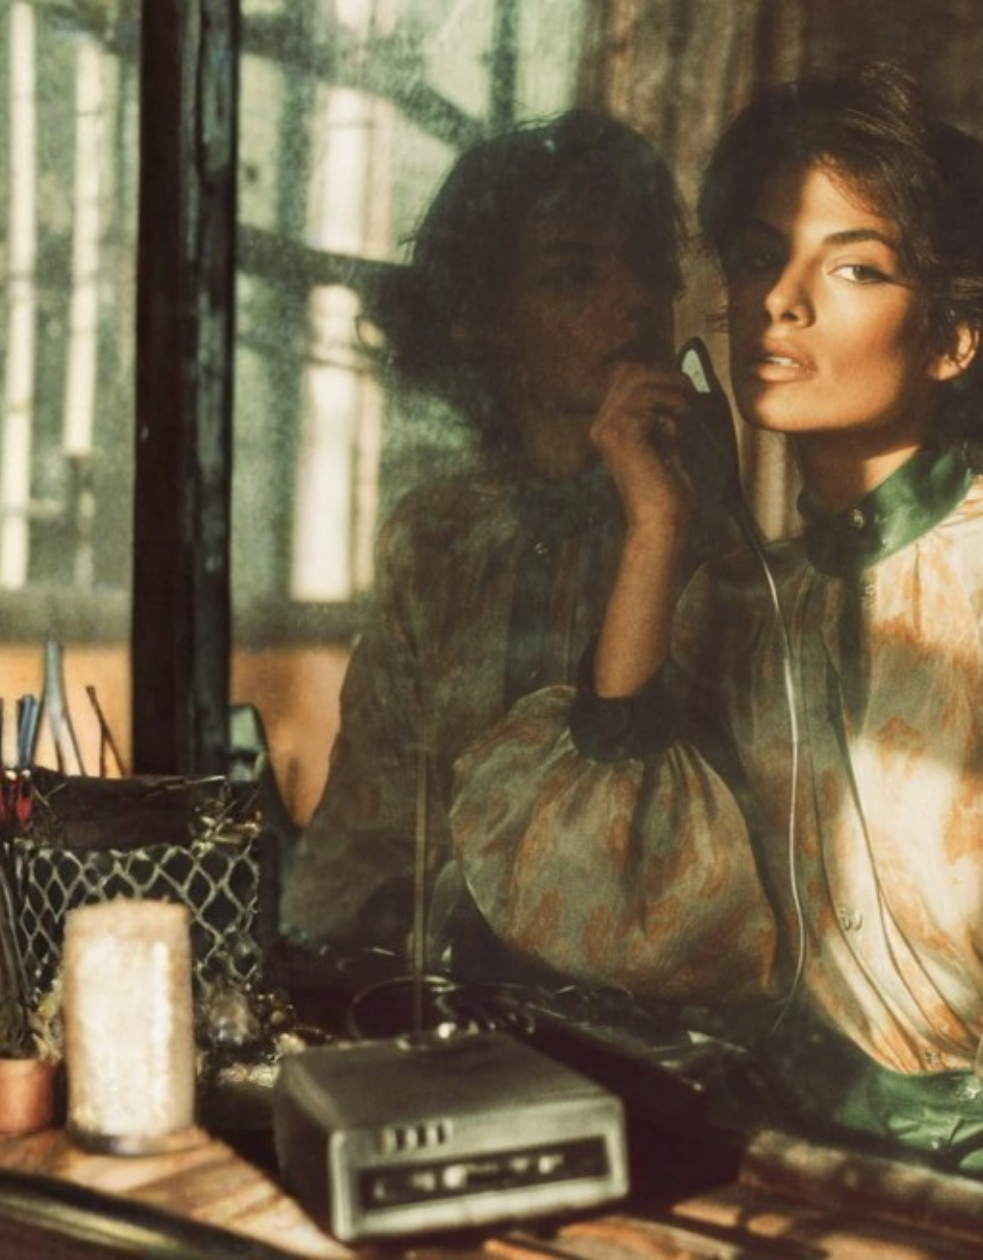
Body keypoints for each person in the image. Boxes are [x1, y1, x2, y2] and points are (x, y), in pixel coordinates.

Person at [448, 65, 983, 1201]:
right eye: (761, 257)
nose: (779, 301)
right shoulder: (741, 600)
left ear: (953, 337)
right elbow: (601, 894)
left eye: (852, 267)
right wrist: (660, 527)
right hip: (777, 1163)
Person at [281, 110, 727, 962]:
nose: (631, 300)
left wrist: (657, 521)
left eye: (647, 269)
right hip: (455, 1015)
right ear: (484, 320)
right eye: (572, 276)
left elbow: (678, 859)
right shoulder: (439, 541)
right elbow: (363, 839)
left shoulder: (707, 535)